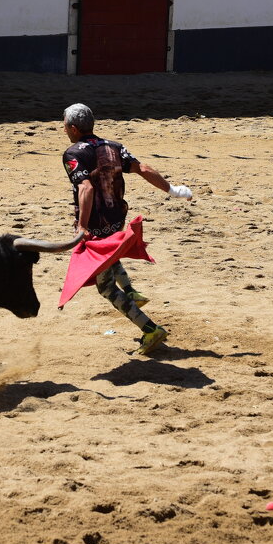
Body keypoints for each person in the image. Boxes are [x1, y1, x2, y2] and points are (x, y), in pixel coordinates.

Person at [61, 103, 193, 355]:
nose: (64, 129)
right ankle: (132, 290)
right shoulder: (113, 146)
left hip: (96, 224)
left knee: (106, 287)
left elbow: (86, 189)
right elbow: (143, 169)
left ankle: (150, 328)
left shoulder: (73, 153)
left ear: (74, 129)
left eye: (65, 125)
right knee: (111, 253)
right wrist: (173, 190)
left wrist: (82, 225)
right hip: (116, 217)